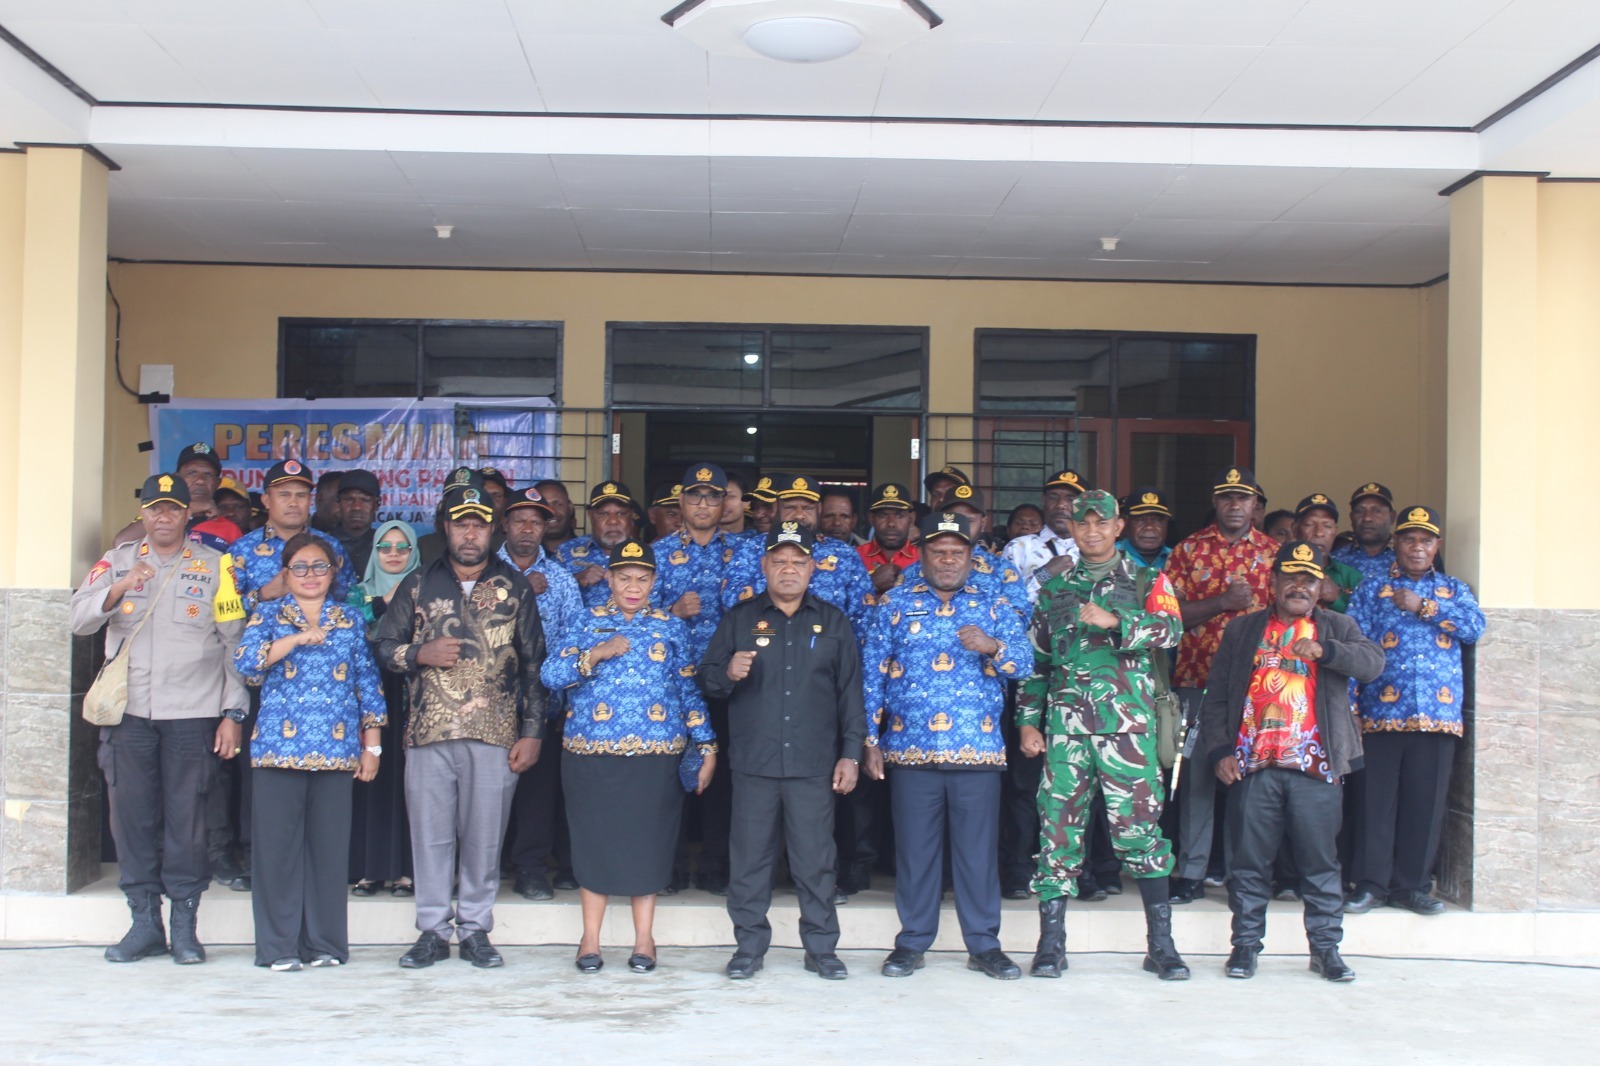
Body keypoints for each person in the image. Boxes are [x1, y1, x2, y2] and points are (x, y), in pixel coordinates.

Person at [71, 473, 248, 965]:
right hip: (128, 714)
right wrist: (119, 587)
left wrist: (233, 712)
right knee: (132, 818)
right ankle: (144, 923)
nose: (164, 516)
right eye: (155, 508)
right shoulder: (118, 561)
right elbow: (78, 619)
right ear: (143, 514)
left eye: (173, 508)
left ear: (187, 514)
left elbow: (235, 642)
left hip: (193, 714)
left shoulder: (216, 565)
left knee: (188, 821)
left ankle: (185, 929)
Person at [1015, 490, 1190, 981]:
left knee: (1141, 835)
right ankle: (1050, 947)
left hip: (1127, 732)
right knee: (1057, 835)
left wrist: (1118, 621)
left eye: (1101, 523)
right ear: (1071, 529)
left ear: (1118, 527)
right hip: (1066, 733)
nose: (1091, 531)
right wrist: (1027, 721)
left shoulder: (1147, 579)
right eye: (1082, 523)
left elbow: (1172, 631)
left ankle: (1162, 947)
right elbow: (1037, 662)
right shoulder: (1055, 588)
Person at [374, 481, 548, 970]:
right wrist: (419, 653)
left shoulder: (515, 586)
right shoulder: (417, 583)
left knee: (484, 837)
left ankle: (474, 929)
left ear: (493, 531)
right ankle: (432, 930)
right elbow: (383, 647)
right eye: (461, 524)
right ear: (445, 528)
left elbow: (535, 663)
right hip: (429, 731)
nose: (470, 534)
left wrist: (533, 730)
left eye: (479, 525)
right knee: (429, 836)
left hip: (495, 733)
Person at [1197, 541, 1385, 982]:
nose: (1300, 586)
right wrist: (1220, 751)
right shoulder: (1243, 630)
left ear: (1321, 587)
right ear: (1274, 581)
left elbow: (1372, 664)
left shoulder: (1338, 625)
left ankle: (1326, 950)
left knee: (1320, 864)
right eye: (1291, 577)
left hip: (1316, 768)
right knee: (1248, 864)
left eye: (1309, 580)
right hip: (1252, 766)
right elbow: (1217, 696)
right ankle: (1245, 947)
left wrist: (1326, 651)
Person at [863, 512, 1028, 980]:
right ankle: (912, 943)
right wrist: (868, 739)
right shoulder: (895, 603)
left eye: (957, 552)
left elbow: (1024, 665)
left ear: (971, 557)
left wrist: (993, 646)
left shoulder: (994, 604)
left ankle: (984, 945)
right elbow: (872, 674)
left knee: (977, 856)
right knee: (916, 854)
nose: (949, 560)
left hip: (977, 751)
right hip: (910, 749)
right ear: (922, 555)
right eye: (939, 552)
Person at [541, 539, 718, 973]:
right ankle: (590, 939)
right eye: (624, 578)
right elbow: (550, 674)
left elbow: (688, 690)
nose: (633, 587)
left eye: (642, 579)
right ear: (610, 579)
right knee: (593, 843)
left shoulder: (670, 627)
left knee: (649, 846)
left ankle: (644, 940)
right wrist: (596, 654)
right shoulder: (586, 621)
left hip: (655, 754)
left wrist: (707, 745)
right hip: (591, 751)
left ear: (654, 581)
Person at [700, 523, 865, 981]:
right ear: (764, 566)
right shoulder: (739, 619)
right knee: (750, 861)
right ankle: (749, 948)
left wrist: (851, 753)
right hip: (755, 763)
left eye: (797, 561)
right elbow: (707, 678)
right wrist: (727, 673)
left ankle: (821, 949)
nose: (788, 569)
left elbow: (851, 693)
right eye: (779, 561)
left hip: (814, 763)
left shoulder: (833, 621)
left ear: (812, 568)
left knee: (816, 862)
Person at [235, 533, 386, 970]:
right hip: (278, 750)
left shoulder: (348, 619)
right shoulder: (268, 614)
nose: (310, 575)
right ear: (285, 573)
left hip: (336, 750)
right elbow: (245, 662)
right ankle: (278, 948)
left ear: (333, 573)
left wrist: (373, 746)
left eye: (319, 566)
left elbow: (367, 684)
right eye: (299, 567)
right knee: (276, 854)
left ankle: (325, 944)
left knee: (328, 852)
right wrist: (295, 640)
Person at [1345, 506, 1485, 917]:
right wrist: (1351, 706)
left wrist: (1424, 607)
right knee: (1375, 803)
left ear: (1437, 545)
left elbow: (1474, 627)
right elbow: (1354, 647)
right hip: (1380, 715)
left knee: (1425, 805)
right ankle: (1370, 884)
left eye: (1426, 540)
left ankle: (1412, 886)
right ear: (1396, 543)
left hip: (1437, 717)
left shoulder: (1453, 590)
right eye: (1409, 539)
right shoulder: (1373, 589)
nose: (1417, 547)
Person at [1163, 466, 1279, 903]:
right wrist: (1222, 603)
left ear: (1255, 505)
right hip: (1196, 680)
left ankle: (1241, 874)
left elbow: (1288, 617)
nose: (1235, 505)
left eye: (1243, 498)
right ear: (1215, 502)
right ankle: (1192, 872)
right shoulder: (1188, 550)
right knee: (1196, 779)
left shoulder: (1274, 554)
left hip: (1256, 689)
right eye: (1227, 497)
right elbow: (1167, 617)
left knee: (1248, 782)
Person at [652, 464, 739, 894]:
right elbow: (635, 618)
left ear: (725, 503)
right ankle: (667, 867)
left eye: (713, 496)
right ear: (680, 501)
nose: (703, 504)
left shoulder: (745, 553)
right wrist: (672, 612)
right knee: (670, 777)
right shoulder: (656, 554)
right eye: (695, 496)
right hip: (672, 684)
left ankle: (715, 866)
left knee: (722, 778)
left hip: (728, 684)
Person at [500, 488, 584, 901]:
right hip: (485, 704)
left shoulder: (562, 579)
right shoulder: (481, 570)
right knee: (485, 792)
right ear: (504, 525)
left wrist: (568, 705)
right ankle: (484, 867)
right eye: (520, 520)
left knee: (537, 793)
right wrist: (520, 588)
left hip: (541, 704)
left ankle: (530, 869)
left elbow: (575, 643)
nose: (528, 529)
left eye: (536, 522)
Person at [347, 520, 421, 899]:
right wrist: (385, 602)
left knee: (410, 781)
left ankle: (407, 871)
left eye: (402, 547)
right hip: (366, 692)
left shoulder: (427, 589)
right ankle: (369, 869)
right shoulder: (357, 593)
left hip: (410, 691)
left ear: (413, 552)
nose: (393, 554)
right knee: (369, 779)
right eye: (385, 547)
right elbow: (347, 627)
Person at [721, 475, 876, 638]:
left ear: (819, 509)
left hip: (828, 649)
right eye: (790, 507)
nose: (799, 515)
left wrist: (848, 654)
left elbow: (864, 615)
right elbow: (732, 600)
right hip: (762, 645)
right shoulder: (752, 548)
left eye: (807, 508)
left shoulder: (844, 554)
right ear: (776, 508)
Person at [1002, 469, 1087, 607]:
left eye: (1071, 499)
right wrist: (1045, 574)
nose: (1061, 505)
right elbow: (1004, 603)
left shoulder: (1096, 550)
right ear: (1043, 501)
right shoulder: (1018, 547)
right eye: (1053, 497)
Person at [559, 481, 640, 610]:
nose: (613, 521)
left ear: (631, 515)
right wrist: (575, 580)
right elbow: (546, 599)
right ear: (590, 515)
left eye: (621, 513)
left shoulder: (652, 556)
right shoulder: (565, 552)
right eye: (603, 514)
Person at [1292, 494, 1364, 613]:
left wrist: (1336, 598)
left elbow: (1363, 620)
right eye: (1310, 524)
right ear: (1295, 530)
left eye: (1327, 526)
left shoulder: (1351, 577)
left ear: (1335, 531)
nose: (1319, 533)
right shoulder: (1279, 572)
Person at [858, 482, 919, 599]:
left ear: (911, 519)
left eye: (899, 516)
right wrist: (871, 583)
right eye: (883, 515)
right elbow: (840, 602)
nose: (891, 523)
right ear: (871, 519)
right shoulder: (855, 556)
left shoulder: (923, 559)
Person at [1332, 482, 1398, 583]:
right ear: (1351, 518)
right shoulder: (1336, 560)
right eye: (1360, 511)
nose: (1367, 518)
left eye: (1376, 511)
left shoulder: (1408, 559)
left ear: (1392, 517)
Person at [335, 469, 383, 575]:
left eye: (365, 500)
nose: (356, 507)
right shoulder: (324, 543)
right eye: (349, 499)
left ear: (377, 504)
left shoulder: (384, 544)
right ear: (338, 502)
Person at [1119, 488, 1174, 570]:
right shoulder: (1109, 556)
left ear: (1166, 523)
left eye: (1158, 520)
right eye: (1140, 519)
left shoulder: (1179, 558)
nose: (1149, 527)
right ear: (1126, 523)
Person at [534, 478, 578, 554]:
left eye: (558, 504)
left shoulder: (590, 553)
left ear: (570, 507)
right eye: (544, 505)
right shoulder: (527, 556)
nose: (551, 511)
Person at [719, 472, 750, 537]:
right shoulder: (700, 540)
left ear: (746, 501)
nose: (724, 503)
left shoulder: (761, 540)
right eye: (718, 497)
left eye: (731, 497)